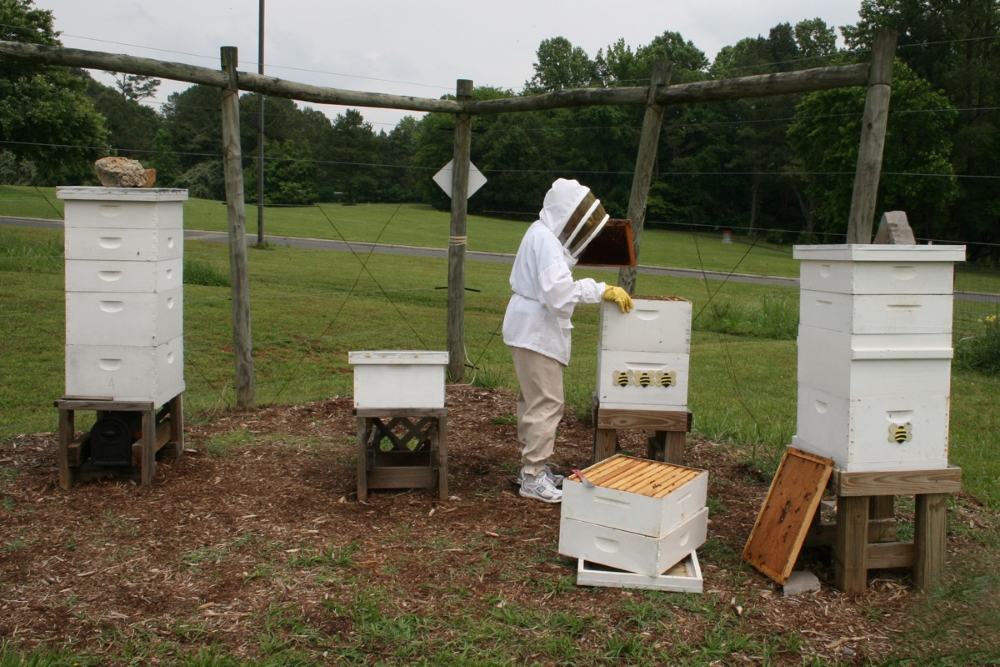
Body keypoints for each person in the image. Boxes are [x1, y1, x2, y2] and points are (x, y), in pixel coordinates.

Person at [502, 178, 633, 504]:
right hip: (536, 331)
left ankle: (532, 467)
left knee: (533, 402)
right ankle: (533, 476)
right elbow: (559, 295)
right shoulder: (545, 240)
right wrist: (600, 289)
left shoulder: (540, 233)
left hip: (529, 328)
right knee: (547, 403)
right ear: (566, 214)